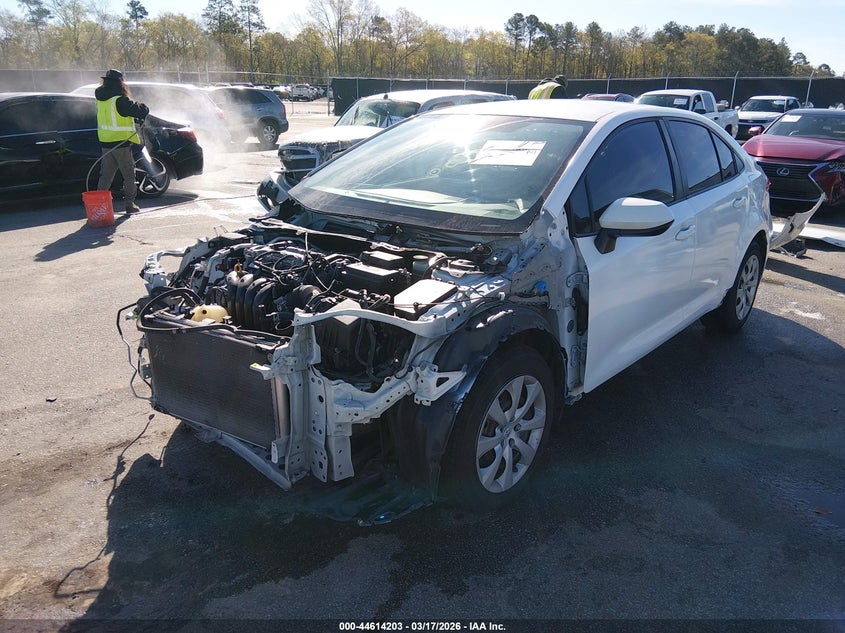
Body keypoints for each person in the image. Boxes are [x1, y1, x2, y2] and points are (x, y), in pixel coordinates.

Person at [95, 69, 149, 214]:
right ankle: (129, 205)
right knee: (129, 175)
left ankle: (99, 207)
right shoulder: (119, 100)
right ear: (120, 83)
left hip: (106, 143)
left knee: (105, 176)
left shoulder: (101, 99)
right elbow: (137, 110)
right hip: (121, 144)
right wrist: (143, 107)